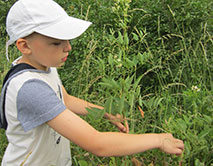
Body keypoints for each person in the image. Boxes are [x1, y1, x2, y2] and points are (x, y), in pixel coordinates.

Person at [1, 0, 184, 165]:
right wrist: (158, 140)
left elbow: (65, 99)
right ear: (24, 46)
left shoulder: (43, 64)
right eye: (56, 43)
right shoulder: (29, 88)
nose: (68, 47)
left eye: (67, 39)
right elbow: (97, 144)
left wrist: (105, 114)